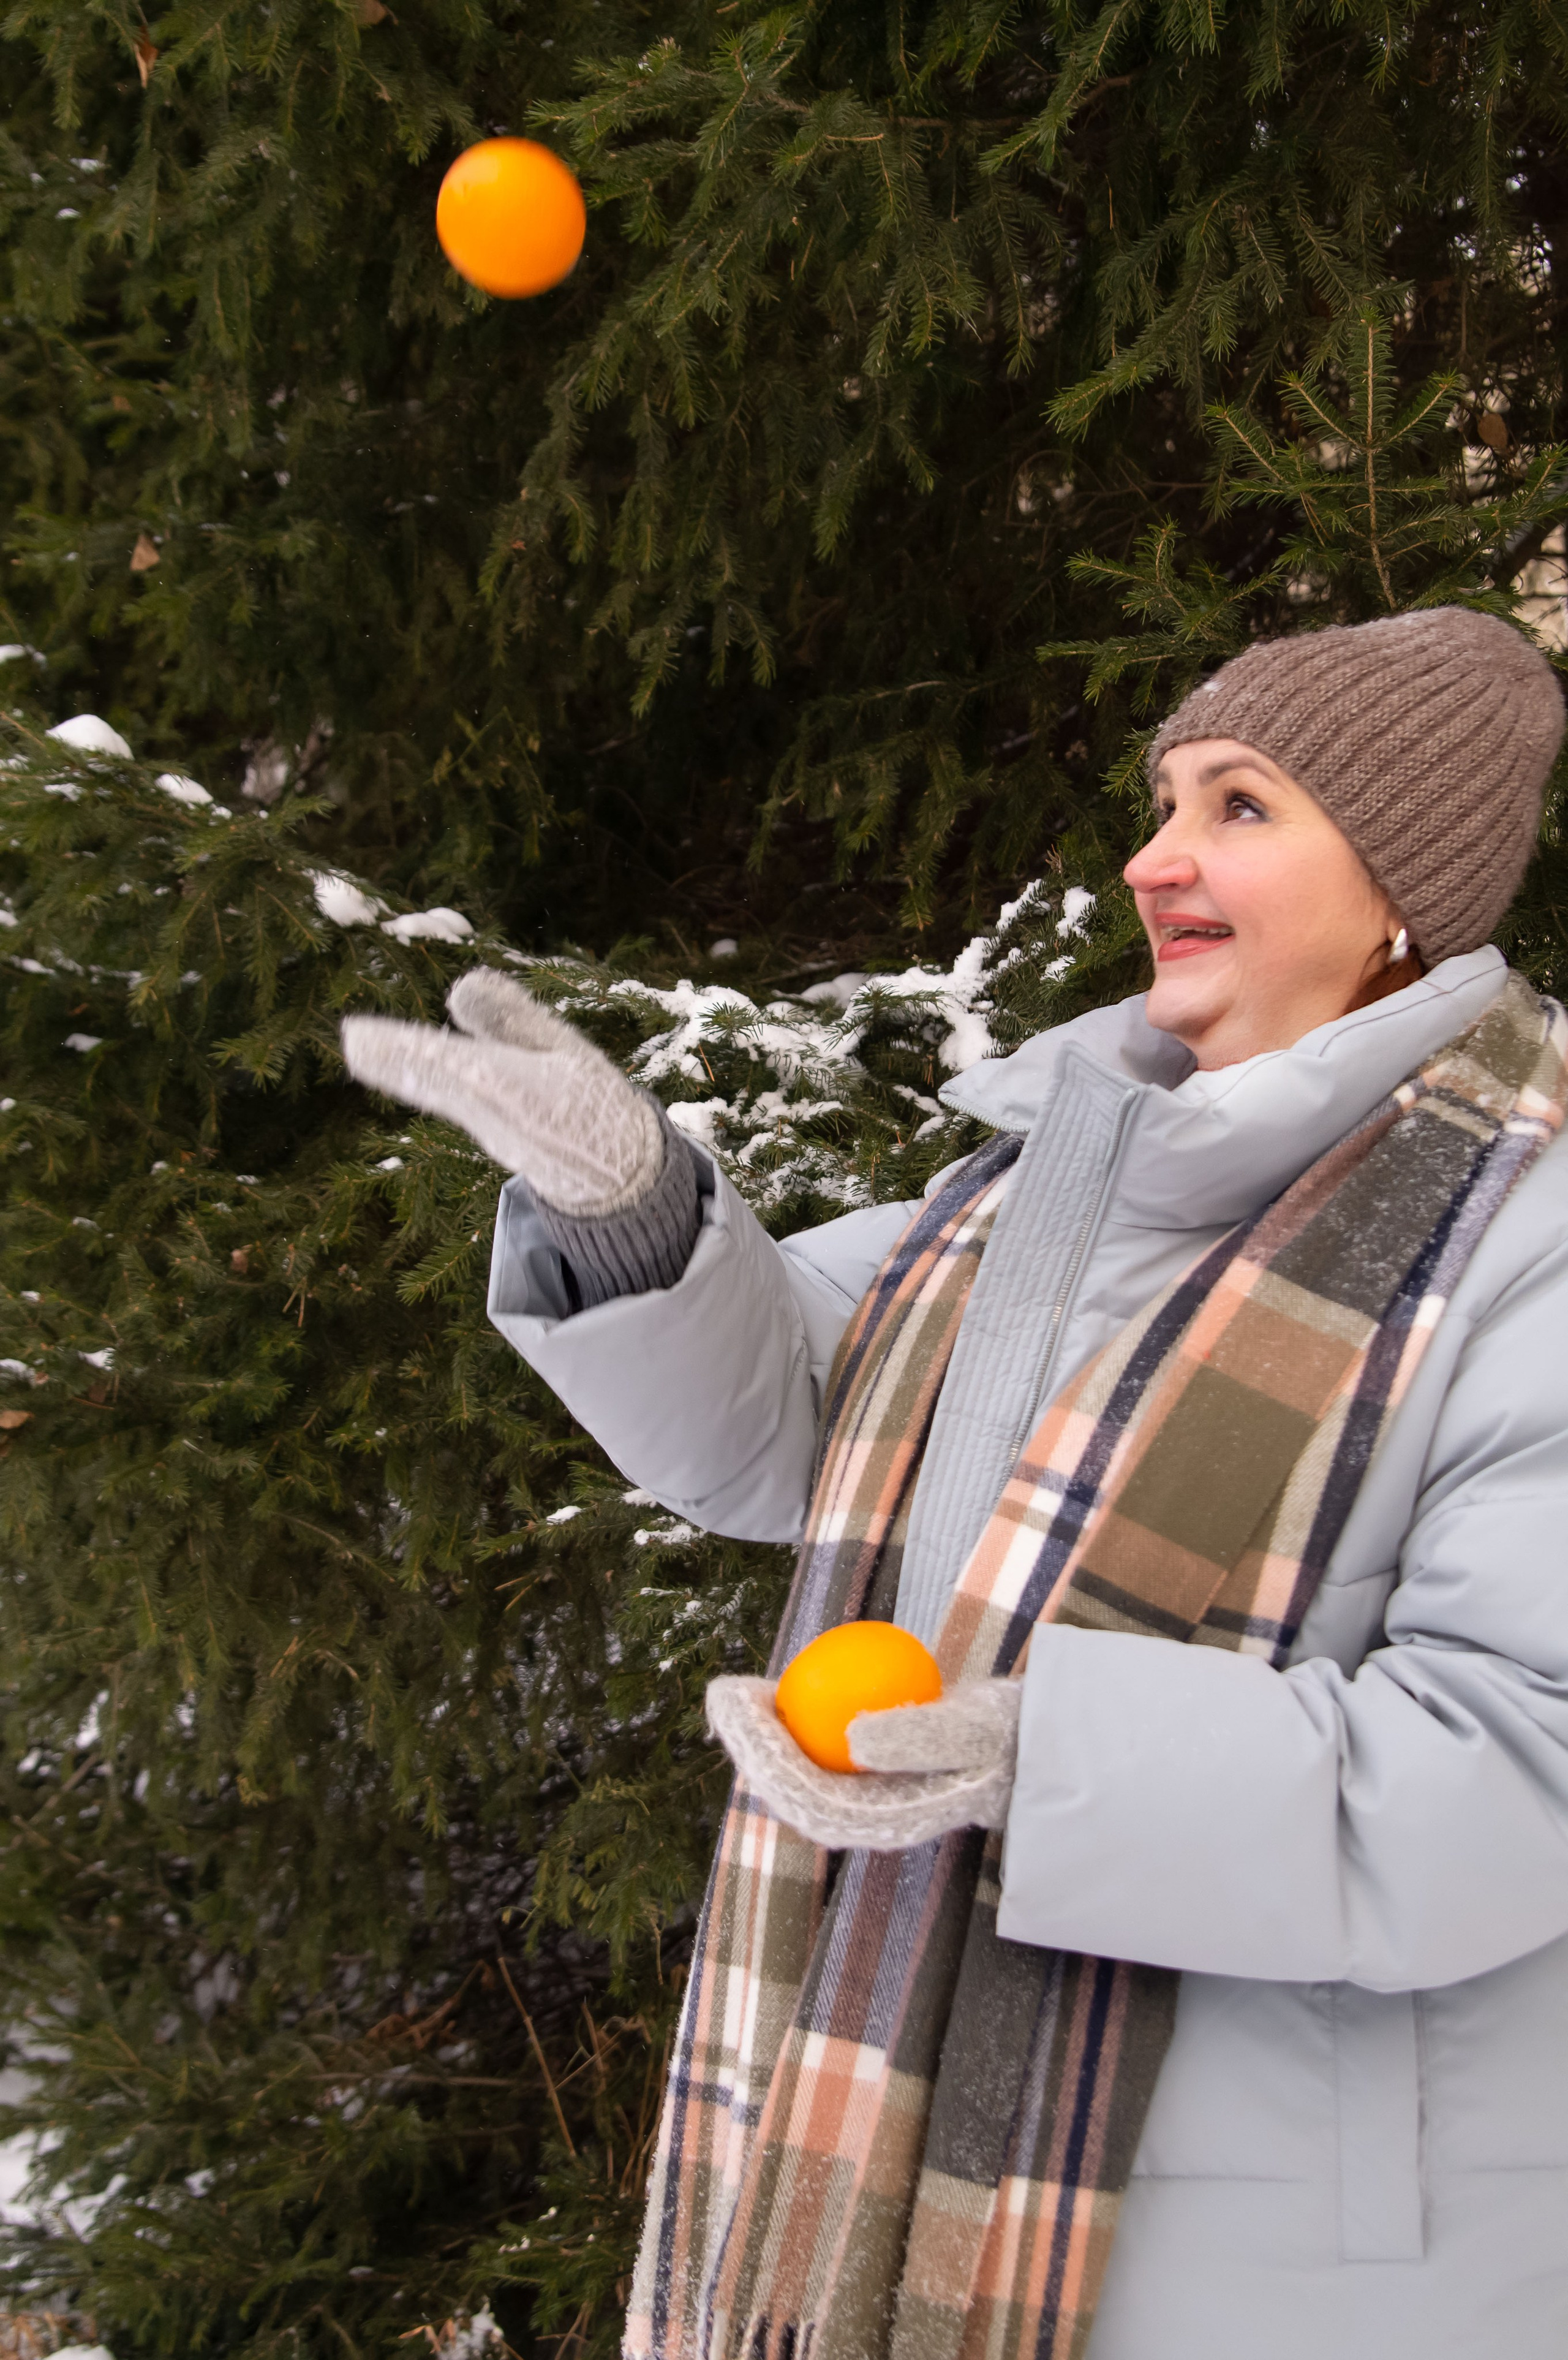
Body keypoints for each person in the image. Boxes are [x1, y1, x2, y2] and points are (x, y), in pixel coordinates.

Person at [342, 607, 1568, 2360]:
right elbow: (784, 1424)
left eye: (1241, 805)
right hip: (915, 2152)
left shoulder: (1532, 1231)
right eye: (1163, 800)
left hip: (1298, 2254)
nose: (1156, 856)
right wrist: (624, 1211)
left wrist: (1045, 1758)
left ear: (1403, 887)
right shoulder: (1053, 1180)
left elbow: (1523, 1768)